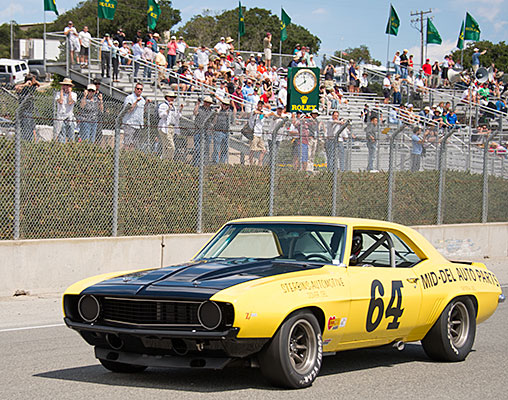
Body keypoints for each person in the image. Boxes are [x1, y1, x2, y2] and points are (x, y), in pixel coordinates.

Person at [158, 91, 183, 160]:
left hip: (172, 127)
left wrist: (180, 110)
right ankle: (169, 160)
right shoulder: (163, 105)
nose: (172, 99)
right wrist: (168, 108)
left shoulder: (174, 107)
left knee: (166, 146)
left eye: (173, 97)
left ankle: (163, 160)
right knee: (171, 146)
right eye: (170, 97)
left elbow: (176, 117)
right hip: (165, 127)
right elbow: (162, 115)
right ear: (167, 97)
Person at [15, 74, 40, 141]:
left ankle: (31, 141)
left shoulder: (31, 88)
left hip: (30, 111)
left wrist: (34, 81)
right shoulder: (23, 88)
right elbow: (16, 87)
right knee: (26, 129)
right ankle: (26, 141)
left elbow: (38, 85)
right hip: (24, 111)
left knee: (32, 128)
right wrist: (25, 84)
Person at [122, 83, 147, 149]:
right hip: (129, 123)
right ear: (135, 89)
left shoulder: (142, 99)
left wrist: (146, 104)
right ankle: (125, 156)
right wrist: (136, 102)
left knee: (134, 144)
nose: (139, 90)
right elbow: (128, 110)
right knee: (127, 142)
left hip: (138, 124)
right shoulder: (130, 98)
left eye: (141, 89)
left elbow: (142, 111)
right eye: (138, 89)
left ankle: (132, 158)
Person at [193, 96, 214, 166]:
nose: (207, 104)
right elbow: (195, 112)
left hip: (207, 131)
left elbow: (213, 120)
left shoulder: (211, 111)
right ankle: (197, 164)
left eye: (209, 103)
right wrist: (198, 104)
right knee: (198, 149)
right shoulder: (200, 108)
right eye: (206, 102)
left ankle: (204, 164)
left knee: (206, 149)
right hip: (198, 131)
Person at [54, 78, 77, 142]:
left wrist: (69, 93)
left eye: (68, 85)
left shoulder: (74, 94)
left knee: (71, 134)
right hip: (61, 116)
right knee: (61, 134)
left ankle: (71, 147)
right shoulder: (58, 94)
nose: (66, 87)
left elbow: (70, 102)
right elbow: (60, 101)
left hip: (69, 116)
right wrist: (61, 91)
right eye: (65, 85)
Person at [212, 98, 233, 164]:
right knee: (217, 148)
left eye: (226, 105)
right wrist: (217, 113)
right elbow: (214, 121)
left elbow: (232, 120)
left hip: (226, 132)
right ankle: (216, 163)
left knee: (225, 149)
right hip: (218, 131)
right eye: (223, 104)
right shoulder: (218, 111)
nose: (224, 106)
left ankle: (222, 163)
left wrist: (228, 114)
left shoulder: (229, 112)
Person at [249, 101, 267, 165]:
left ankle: (260, 163)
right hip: (254, 134)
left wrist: (264, 114)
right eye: (259, 105)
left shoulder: (263, 113)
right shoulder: (254, 111)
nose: (260, 106)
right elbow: (255, 112)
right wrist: (261, 113)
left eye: (262, 105)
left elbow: (270, 114)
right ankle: (251, 164)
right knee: (252, 150)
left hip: (260, 134)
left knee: (263, 150)